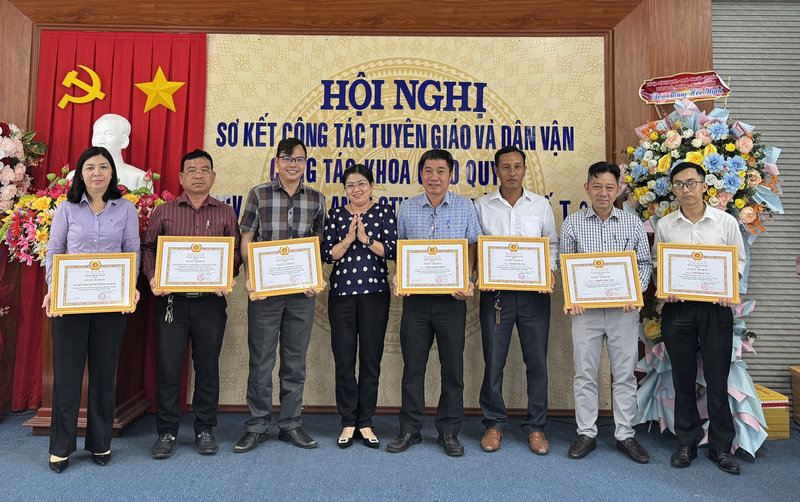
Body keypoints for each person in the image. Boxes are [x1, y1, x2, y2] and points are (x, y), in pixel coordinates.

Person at [42, 146, 141, 473]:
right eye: (89, 167)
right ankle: (61, 447)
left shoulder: (126, 209)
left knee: (103, 375)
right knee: (67, 377)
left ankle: (100, 442)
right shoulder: (66, 209)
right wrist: (54, 289)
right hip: (70, 302)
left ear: (112, 172)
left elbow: (132, 250)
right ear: (80, 174)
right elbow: (55, 250)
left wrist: (130, 287)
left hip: (110, 303)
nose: (96, 173)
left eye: (103, 167)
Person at [142, 149, 242, 459]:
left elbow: (235, 252)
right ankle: (167, 430)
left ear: (213, 176)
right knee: (170, 368)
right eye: (192, 170)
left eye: (204, 170)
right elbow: (148, 248)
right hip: (172, 302)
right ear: (181, 177)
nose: (198, 175)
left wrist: (228, 274)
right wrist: (153, 277)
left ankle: (205, 427)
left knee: (207, 367)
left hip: (210, 303)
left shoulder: (226, 213)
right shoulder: (164, 212)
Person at [387, 148, 481, 457]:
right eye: (428, 170)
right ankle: (410, 429)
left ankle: (449, 431)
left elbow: (472, 246)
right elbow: (402, 250)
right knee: (413, 368)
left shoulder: (466, 207)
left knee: (452, 370)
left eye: (441, 171)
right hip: (415, 302)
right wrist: (401, 277)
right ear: (421, 174)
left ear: (451, 175)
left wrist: (467, 279)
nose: (434, 177)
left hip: (452, 302)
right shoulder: (407, 208)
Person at [653, 162, 746, 475]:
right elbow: (659, 262)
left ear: (705, 186)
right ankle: (686, 442)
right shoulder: (665, 225)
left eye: (691, 183)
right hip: (678, 309)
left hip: (715, 309)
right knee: (682, 379)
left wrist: (728, 287)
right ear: (673, 189)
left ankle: (721, 447)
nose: (686, 189)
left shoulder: (725, 222)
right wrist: (667, 287)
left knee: (717, 380)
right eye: (679, 184)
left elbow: (739, 262)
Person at [235, 138, 326, 453]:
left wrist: (315, 276)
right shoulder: (258, 194)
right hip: (265, 292)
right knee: (261, 360)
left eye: (299, 159)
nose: (293, 164)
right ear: (277, 162)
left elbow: (317, 242)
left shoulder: (316, 198)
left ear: (305, 164)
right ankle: (257, 425)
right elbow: (246, 238)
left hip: (301, 294)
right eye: (287, 158)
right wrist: (252, 278)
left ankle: (290, 425)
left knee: (295, 362)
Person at [559, 161, 651, 464]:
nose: (603, 193)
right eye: (597, 186)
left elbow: (644, 264)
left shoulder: (632, 223)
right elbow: (564, 263)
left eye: (609, 187)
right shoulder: (572, 223)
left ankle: (625, 434)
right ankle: (586, 432)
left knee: (624, 374)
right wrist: (572, 297)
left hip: (623, 311)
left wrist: (635, 292)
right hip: (585, 311)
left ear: (618, 190)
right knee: (585, 373)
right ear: (587, 188)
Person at [473, 146, 558, 454]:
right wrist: (476, 273)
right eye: (506, 167)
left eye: (517, 166)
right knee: (494, 361)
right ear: (496, 171)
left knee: (536, 362)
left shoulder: (540, 205)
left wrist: (549, 273)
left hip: (535, 296)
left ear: (525, 169)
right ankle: (494, 423)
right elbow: (474, 246)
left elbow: (551, 245)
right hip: (496, 297)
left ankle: (536, 427)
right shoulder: (482, 206)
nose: (512, 172)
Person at [322, 164, 397, 449]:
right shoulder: (336, 214)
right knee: (344, 360)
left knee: (370, 359)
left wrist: (365, 239)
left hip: (375, 295)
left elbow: (392, 250)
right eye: (351, 185)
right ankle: (348, 420)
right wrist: (349, 239)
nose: (356, 189)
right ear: (345, 189)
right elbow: (328, 254)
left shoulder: (384, 212)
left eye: (362, 183)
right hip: (341, 295)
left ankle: (365, 421)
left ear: (372, 186)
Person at [91, 113, 150, 190]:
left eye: (108, 134)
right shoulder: (76, 175)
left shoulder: (139, 178)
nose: (100, 140)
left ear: (125, 141)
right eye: (97, 134)